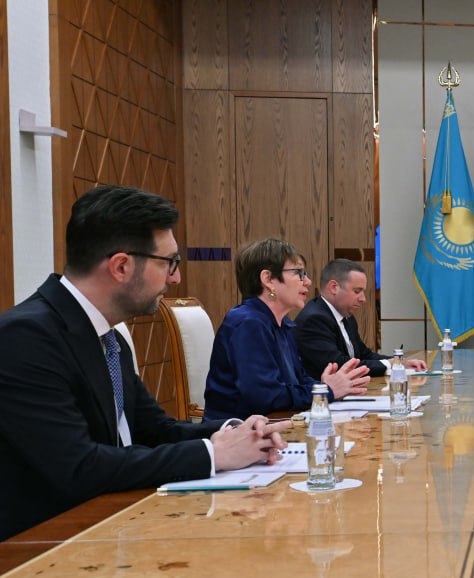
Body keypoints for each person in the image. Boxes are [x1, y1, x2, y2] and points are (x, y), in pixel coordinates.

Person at [0, 185, 287, 540]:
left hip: (116, 521)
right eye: (169, 262)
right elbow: (78, 467)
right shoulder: (26, 337)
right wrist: (213, 454)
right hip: (46, 544)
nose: (175, 277)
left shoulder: (109, 337)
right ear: (121, 266)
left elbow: (155, 430)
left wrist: (236, 432)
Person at [204, 239, 371, 420]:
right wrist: (326, 391)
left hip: (274, 423)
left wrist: (325, 386)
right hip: (239, 431)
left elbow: (299, 380)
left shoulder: (283, 323)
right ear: (268, 279)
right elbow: (266, 397)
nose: (308, 281)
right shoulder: (248, 323)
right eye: (299, 273)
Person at [295, 259, 427, 378]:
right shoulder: (314, 320)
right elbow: (340, 365)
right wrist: (389, 364)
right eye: (357, 291)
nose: (363, 299)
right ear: (334, 287)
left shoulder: (346, 316)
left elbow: (364, 355)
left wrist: (399, 362)